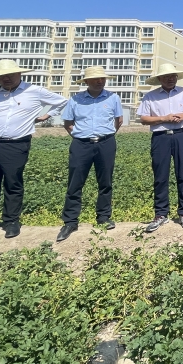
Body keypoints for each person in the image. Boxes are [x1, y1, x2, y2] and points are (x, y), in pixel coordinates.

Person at [0, 59, 68, 241]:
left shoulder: (34, 91)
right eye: (2, 76)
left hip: (16, 145)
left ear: (19, 74)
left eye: (10, 74)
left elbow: (62, 101)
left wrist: (46, 115)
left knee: (12, 183)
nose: (6, 78)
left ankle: (11, 221)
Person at [56, 66, 124, 242]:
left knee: (105, 182)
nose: (100, 81)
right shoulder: (75, 100)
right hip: (81, 144)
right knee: (75, 183)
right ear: (86, 81)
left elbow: (118, 121)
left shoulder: (113, 98)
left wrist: (105, 135)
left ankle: (103, 217)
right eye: (95, 79)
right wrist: (81, 137)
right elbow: (68, 123)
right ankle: (70, 222)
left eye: (102, 79)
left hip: (106, 143)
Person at [137, 63, 183, 233]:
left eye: (173, 76)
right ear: (160, 79)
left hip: (181, 136)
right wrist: (164, 118)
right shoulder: (150, 96)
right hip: (160, 137)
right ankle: (161, 214)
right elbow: (144, 119)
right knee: (160, 176)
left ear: (177, 77)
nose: (171, 79)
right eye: (166, 76)